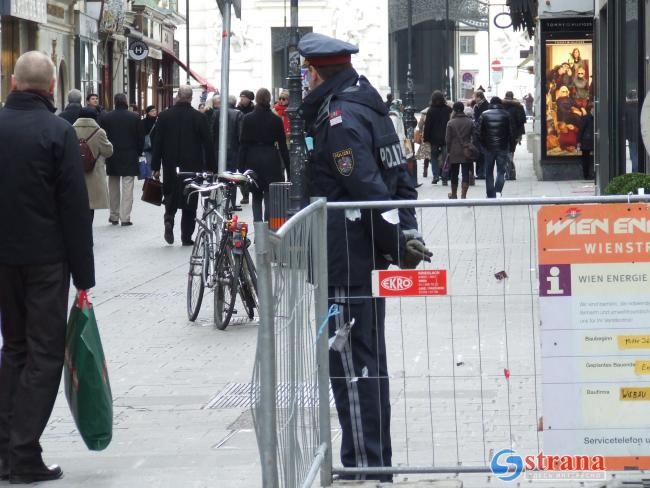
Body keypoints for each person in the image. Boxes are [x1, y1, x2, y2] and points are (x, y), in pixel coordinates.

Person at [298, 32, 431, 481]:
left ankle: (365, 466)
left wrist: (399, 244)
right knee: (367, 363)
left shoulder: (339, 120)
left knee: (352, 368)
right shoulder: (373, 108)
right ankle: (373, 459)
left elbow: (370, 191)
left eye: (306, 72)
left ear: (317, 72)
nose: (303, 79)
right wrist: (406, 233)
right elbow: (402, 178)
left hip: (347, 258)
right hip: (361, 258)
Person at [0, 50, 95, 484]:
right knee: (43, 354)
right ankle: (23, 452)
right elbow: (75, 208)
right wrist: (84, 278)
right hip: (45, 262)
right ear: (52, 88)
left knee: (13, 350)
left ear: (14, 83)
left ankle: (6, 450)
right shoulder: (57, 133)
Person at [151, 85, 215, 245]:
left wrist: (155, 166)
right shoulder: (199, 118)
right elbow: (208, 143)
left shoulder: (164, 116)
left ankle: (169, 218)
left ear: (178, 96)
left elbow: (157, 142)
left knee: (171, 192)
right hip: (192, 164)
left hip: (170, 162)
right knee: (190, 198)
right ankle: (186, 236)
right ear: (191, 98)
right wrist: (211, 167)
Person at [238, 88, 289, 222]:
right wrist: (289, 168)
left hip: (253, 158)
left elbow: (243, 144)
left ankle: (257, 228)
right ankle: (267, 228)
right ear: (269, 99)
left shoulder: (248, 119)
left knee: (256, 195)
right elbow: (283, 146)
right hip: (271, 158)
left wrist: (240, 167)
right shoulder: (276, 120)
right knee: (269, 195)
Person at [99, 93, 144, 226]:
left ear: (114, 102)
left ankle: (114, 215)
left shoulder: (107, 117)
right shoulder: (135, 117)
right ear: (125, 101)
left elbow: (103, 136)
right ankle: (125, 217)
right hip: (130, 155)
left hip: (112, 155)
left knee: (113, 186)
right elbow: (140, 138)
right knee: (128, 186)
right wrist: (139, 152)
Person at [73, 107, 114, 223]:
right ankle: (87, 234)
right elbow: (108, 152)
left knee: (78, 204)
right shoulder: (99, 132)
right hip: (94, 174)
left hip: (75, 173)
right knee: (90, 206)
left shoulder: (71, 129)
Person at [474, 96, 514, 198]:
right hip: (502, 147)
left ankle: (490, 194)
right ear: (500, 103)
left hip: (488, 148)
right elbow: (511, 132)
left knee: (489, 172)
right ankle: (498, 191)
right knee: (501, 171)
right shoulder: (506, 115)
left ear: (490, 104)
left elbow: (477, 132)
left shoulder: (484, 114)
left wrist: (482, 145)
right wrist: (510, 146)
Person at [213, 94, 244, 210]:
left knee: (219, 176)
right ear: (234, 103)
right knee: (231, 177)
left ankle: (218, 200)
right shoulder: (238, 114)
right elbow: (240, 135)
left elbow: (212, 133)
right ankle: (231, 202)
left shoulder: (216, 113)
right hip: (233, 151)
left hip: (217, 150)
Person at [445, 101, 474, 199]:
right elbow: (474, 136)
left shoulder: (450, 122)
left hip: (454, 151)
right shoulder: (470, 121)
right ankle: (463, 195)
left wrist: (449, 151)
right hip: (467, 150)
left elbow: (447, 140)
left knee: (454, 173)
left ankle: (454, 194)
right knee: (465, 172)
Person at [423, 90, 452, 185]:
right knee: (446, 158)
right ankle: (444, 177)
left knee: (433, 157)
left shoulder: (430, 110)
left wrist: (426, 139)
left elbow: (427, 126)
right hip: (446, 138)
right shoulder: (448, 109)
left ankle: (435, 176)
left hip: (433, 139)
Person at [502, 91, 526, 181]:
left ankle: (509, 173)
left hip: (504, 134)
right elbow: (522, 121)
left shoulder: (502, 106)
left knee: (506, 154)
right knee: (511, 153)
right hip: (514, 134)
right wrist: (520, 135)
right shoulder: (518, 107)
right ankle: (511, 173)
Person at [472, 90, 489, 179]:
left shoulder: (486, 105)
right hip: (478, 133)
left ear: (479, 97)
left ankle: (484, 173)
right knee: (479, 154)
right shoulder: (477, 106)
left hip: (484, 133)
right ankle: (480, 173)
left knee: (483, 154)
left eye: (475, 97)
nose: (474, 99)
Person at [577, 104, 594, 179]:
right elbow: (581, 130)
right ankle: (586, 175)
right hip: (586, 142)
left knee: (590, 159)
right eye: (594, 109)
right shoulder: (586, 118)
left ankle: (590, 174)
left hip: (591, 141)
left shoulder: (596, 118)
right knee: (586, 159)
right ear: (591, 109)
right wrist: (579, 141)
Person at [141, 105, 158, 169]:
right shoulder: (143, 122)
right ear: (148, 112)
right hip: (147, 146)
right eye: (152, 111)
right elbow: (141, 134)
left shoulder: (158, 121)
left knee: (156, 163)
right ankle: (149, 177)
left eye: (155, 110)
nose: (154, 112)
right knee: (149, 163)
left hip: (156, 146)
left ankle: (156, 177)